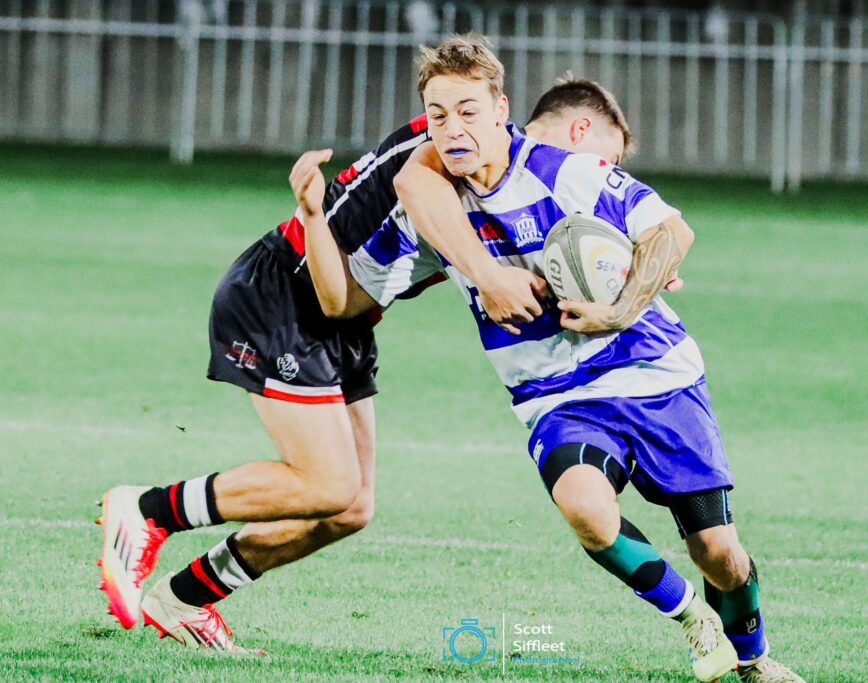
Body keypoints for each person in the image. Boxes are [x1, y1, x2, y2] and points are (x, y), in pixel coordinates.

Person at [296, 36, 802, 682]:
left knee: (719, 554)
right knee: (587, 509)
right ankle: (691, 618)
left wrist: (618, 309)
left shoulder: (562, 171)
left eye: (468, 112)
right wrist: (313, 215)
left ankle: (754, 658)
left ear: (501, 110)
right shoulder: (430, 210)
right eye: (438, 114)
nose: (453, 129)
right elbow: (341, 300)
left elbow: (671, 231)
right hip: (555, 395)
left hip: (655, 372)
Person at [96, 79, 649, 652]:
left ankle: (183, 598)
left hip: (346, 318)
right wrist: (489, 276)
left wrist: (631, 273)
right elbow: (416, 181)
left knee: (350, 506)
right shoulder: (464, 143)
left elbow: (559, 262)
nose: (601, 184)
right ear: (578, 132)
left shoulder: (513, 187)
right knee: (326, 482)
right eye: (605, 164)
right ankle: (148, 510)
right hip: (286, 295)